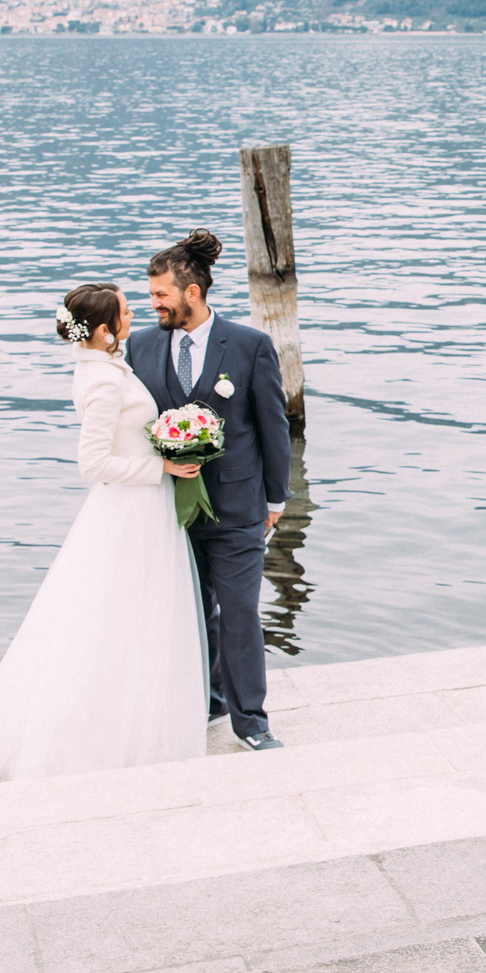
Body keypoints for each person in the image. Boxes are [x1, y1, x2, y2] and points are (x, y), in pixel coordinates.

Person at [0, 282, 210, 780]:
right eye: (127, 312)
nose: (136, 316)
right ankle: (113, 728)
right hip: (130, 510)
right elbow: (92, 463)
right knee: (123, 614)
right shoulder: (103, 381)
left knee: (130, 615)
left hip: (141, 508)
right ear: (106, 329)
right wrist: (163, 470)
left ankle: (131, 712)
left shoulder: (106, 366)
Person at [129, 231, 292, 749]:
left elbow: (273, 426)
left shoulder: (249, 346)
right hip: (169, 511)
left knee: (240, 609)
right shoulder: (141, 346)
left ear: (192, 292)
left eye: (160, 295)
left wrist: (274, 499)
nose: (152, 304)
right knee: (191, 611)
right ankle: (207, 702)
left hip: (237, 508)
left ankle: (252, 721)